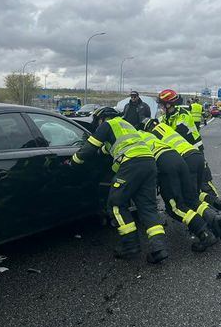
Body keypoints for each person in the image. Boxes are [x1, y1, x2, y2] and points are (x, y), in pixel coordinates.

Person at [71, 107, 168, 264]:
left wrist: (73, 161)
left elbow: (89, 148)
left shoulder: (107, 125)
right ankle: (159, 248)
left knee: (116, 205)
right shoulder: (126, 126)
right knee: (148, 208)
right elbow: (105, 150)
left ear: (102, 119)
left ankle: (130, 246)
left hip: (131, 163)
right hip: (149, 163)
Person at [141, 117, 221, 241]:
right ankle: (217, 211)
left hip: (183, 160)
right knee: (194, 197)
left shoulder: (151, 136)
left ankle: (205, 229)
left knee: (180, 204)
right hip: (196, 155)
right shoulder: (166, 128)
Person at [157, 89, 221, 222]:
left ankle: (219, 210)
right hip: (182, 157)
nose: (161, 107)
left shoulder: (183, 116)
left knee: (204, 184)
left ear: (169, 104)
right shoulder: (164, 118)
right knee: (192, 189)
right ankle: (213, 213)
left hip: (194, 153)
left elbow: (176, 135)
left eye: (162, 104)